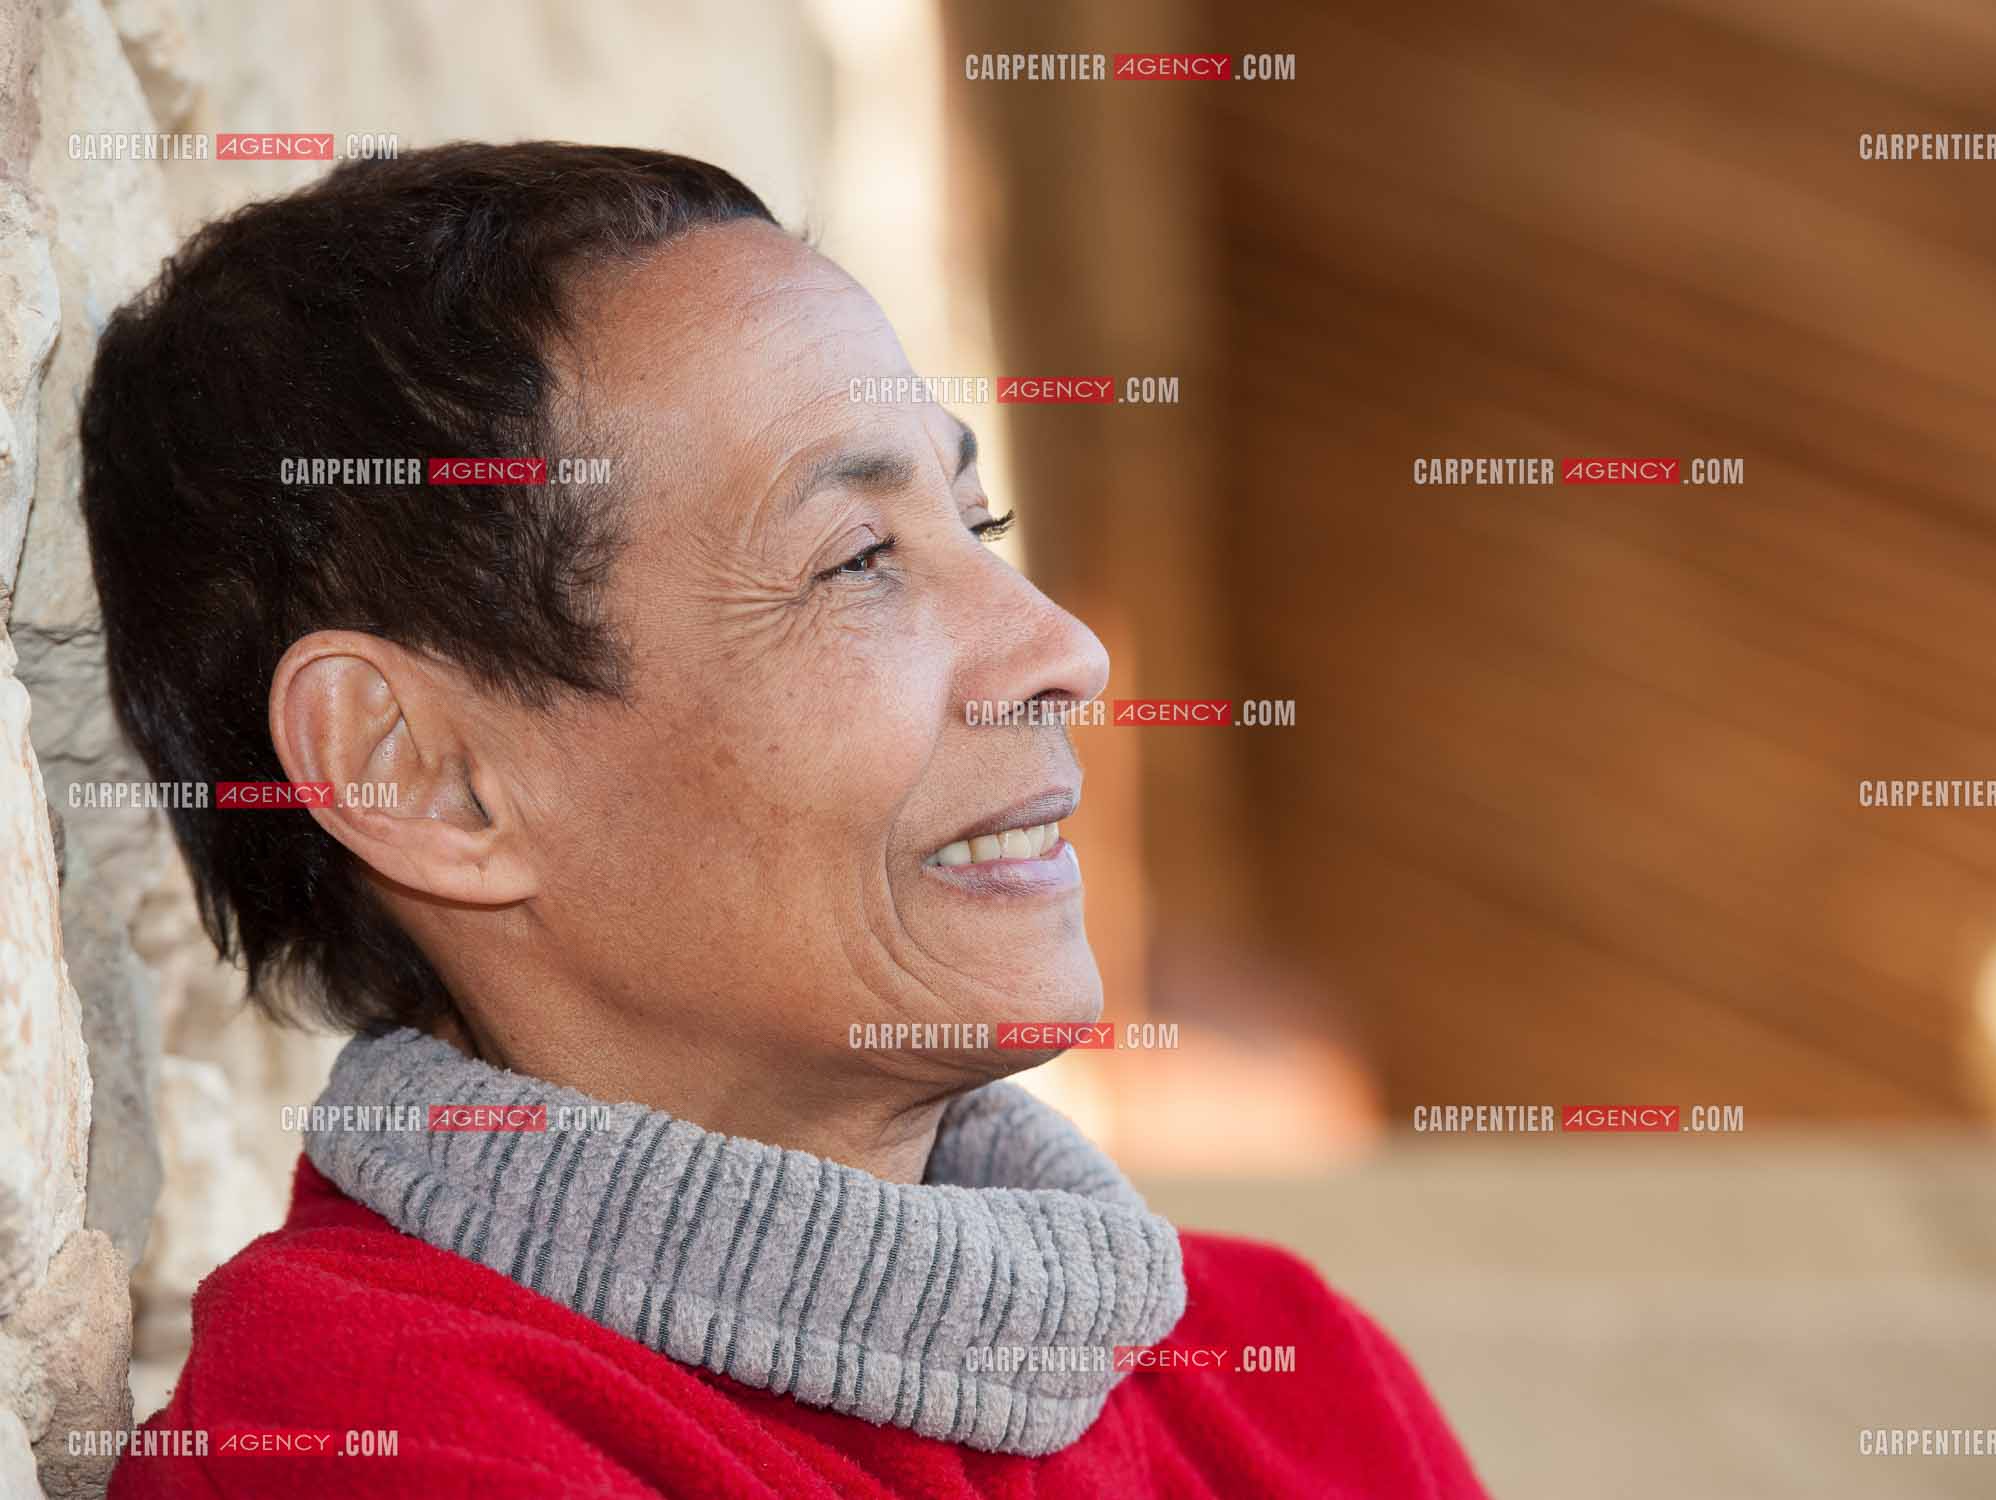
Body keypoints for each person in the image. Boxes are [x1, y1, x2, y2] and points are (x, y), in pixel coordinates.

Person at [83, 142, 1485, 1498]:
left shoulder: (1286, 1376)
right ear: (425, 776)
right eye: (857, 559)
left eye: (976, 529)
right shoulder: (373, 1442)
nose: (1062, 650)